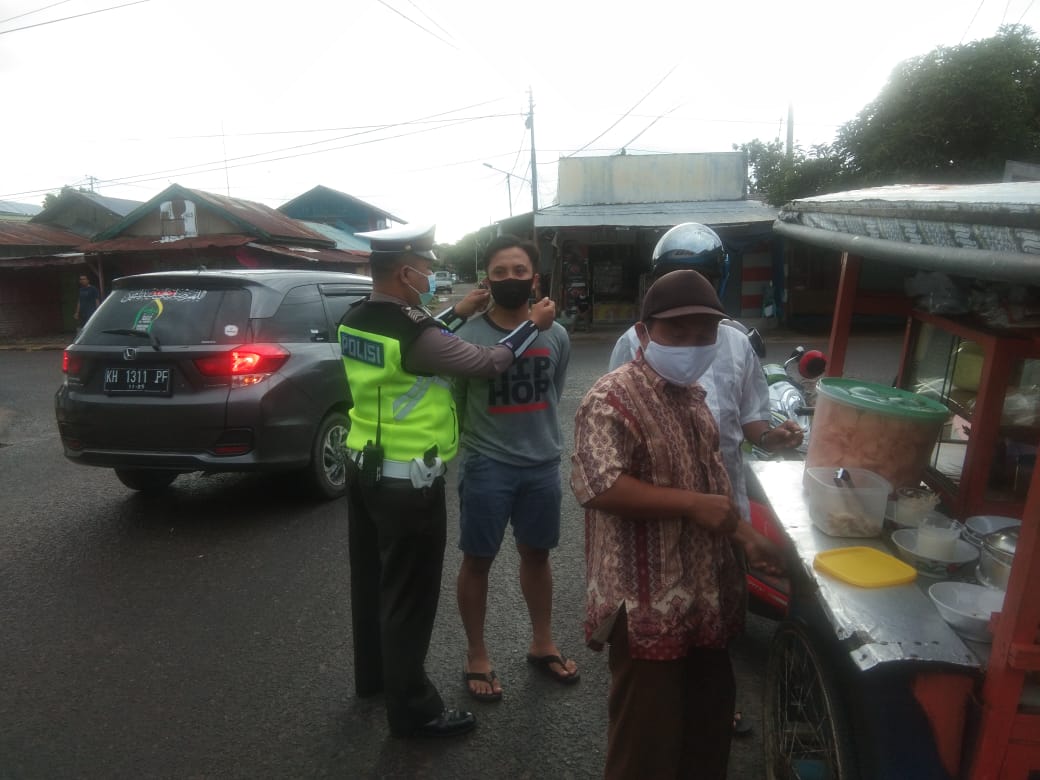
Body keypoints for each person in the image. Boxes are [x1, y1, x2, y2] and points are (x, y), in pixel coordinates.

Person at [338, 223, 557, 739]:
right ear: (404, 271)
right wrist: (535, 325)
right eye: (425, 265)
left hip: (364, 466)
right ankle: (414, 709)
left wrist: (455, 313)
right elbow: (488, 362)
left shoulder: (359, 318)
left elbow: (418, 341)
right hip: (406, 483)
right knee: (409, 599)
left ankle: (374, 679)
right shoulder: (413, 330)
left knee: (372, 584)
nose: (431, 272)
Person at [571, 269, 785, 779]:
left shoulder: (693, 398)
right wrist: (689, 504)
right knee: (646, 742)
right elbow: (600, 486)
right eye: (677, 332)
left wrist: (747, 538)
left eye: (704, 334)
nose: (692, 345)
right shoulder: (610, 398)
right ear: (644, 335)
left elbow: (713, 490)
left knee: (707, 728)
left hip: (705, 594)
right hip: (644, 600)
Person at [607, 223, 802, 737]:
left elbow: (751, 420)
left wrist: (775, 437)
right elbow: (608, 469)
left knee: (717, 615)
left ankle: (713, 706)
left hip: (725, 508)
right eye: (675, 277)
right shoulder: (633, 344)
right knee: (656, 616)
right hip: (654, 516)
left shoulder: (734, 342)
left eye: (702, 278)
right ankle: (656, 707)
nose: (692, 342)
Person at [452, 234, 577, 703]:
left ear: (535, 278)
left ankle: (542, 642)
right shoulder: (468, 336)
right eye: (500, 272)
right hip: (488, 465)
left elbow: (554, 392)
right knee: (477, 560)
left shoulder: (556, 335)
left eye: (518, 271)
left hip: (541, 465)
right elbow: (459, 401)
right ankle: (476, 653)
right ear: (487, 279)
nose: (510, 279)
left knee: (538, 555)